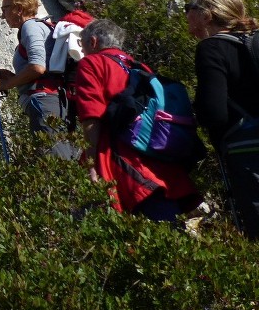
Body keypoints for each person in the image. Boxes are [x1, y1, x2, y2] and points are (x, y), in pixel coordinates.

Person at [72, 19, 202, 221]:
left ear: (93, 42)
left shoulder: (91, 63)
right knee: (166, 225)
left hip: (120, 156)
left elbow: (92, 117)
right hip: (156, 154)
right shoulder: (139, 66)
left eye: (83, 45)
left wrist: (91, 161)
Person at [187, 0, 259, 238]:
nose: (186, 15)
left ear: (206, 15)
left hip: (248, 149)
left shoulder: (212, 48)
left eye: (189, 9)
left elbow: (213, 112)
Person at [0, 0, 71, 148]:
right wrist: (11, 76)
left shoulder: (30, 27)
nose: (3, 16)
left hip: (44, 101)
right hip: (51, 99)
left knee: (53, 160)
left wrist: (6, 85)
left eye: (5, 9)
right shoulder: (40, 26)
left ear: (19, 9)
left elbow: (38, 67)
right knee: (58, 156)